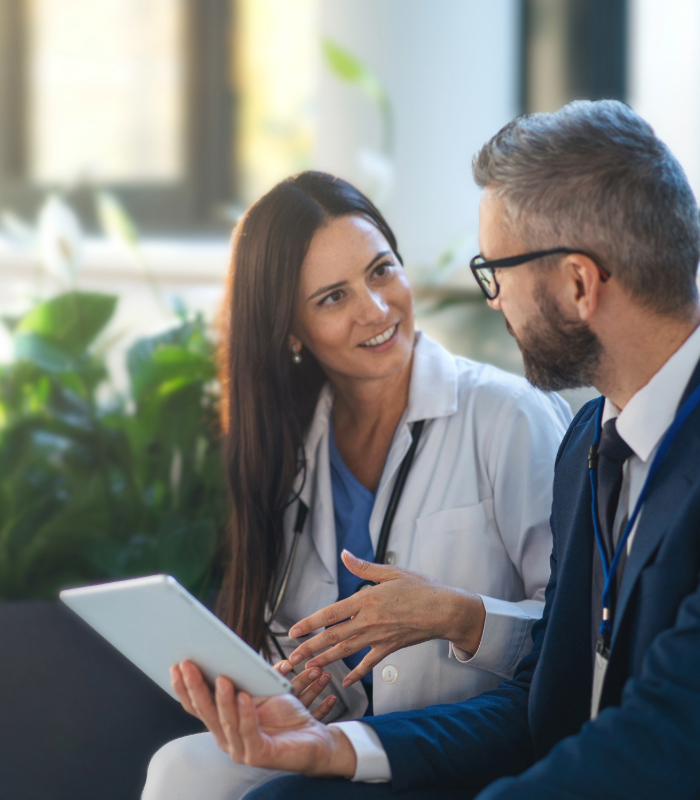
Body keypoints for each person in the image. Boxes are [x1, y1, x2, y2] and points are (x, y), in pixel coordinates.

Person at [169, 101, 700, 800]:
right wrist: (341, 746)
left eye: (497, 272)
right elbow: (541, 704)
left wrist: (460, 616)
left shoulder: (529, 423)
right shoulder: (592, 446)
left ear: (578, 283)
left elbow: (665, 737)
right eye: (331, 297)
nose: (493, 300)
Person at [142, 172, 571, 799]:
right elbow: (287, 628)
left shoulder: (507, 416)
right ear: (291, 332)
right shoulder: (289, 444)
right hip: (340, 738)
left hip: (465, 746)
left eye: (380, 271)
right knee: (179, 771)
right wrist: (296, 681)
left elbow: (576, 633)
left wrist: (458, 616)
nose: (375, 309)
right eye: (332, 298)